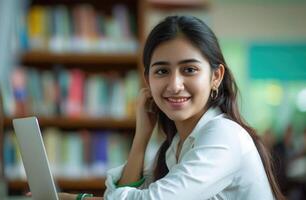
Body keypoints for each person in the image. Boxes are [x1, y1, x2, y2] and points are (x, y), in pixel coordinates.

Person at [56, 15, 286, 200]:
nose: (175, 85)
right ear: (148, 79)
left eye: (189, 70)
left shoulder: (224, 135)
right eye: (162, 71)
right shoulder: (176, 146)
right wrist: (141, 136)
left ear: (216, 76)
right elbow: (123, 194)